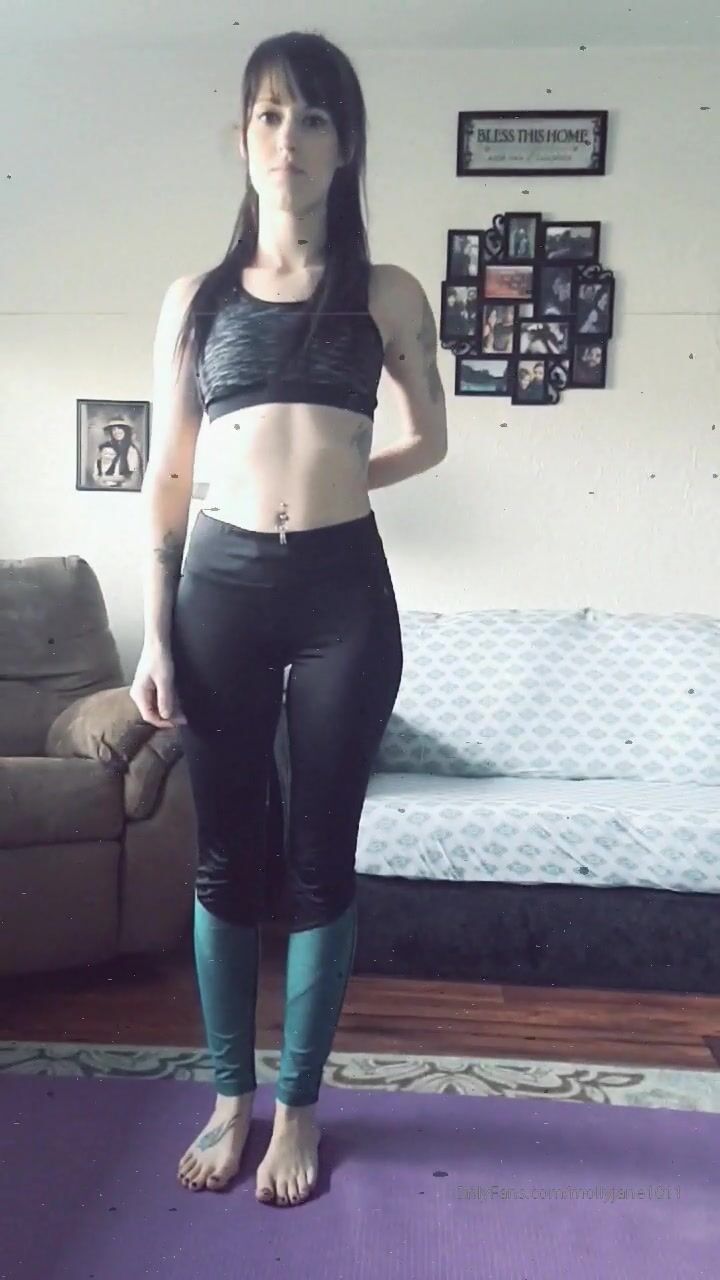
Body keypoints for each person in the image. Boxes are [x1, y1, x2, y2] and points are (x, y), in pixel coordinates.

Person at [129, 30, 447, 1209]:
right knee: (224, 856)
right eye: (269, 114)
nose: (289, 138)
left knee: (321, 856)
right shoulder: (195, 302)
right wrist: (154, 632)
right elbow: (166, 476)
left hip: (340, 598)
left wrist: (340, 479)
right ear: (243, 137)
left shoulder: (387, 292)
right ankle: (230, 1095)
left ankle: (299, 1104)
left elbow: (431, 438)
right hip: (215, 592)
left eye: (313, 117)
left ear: (344, 144)